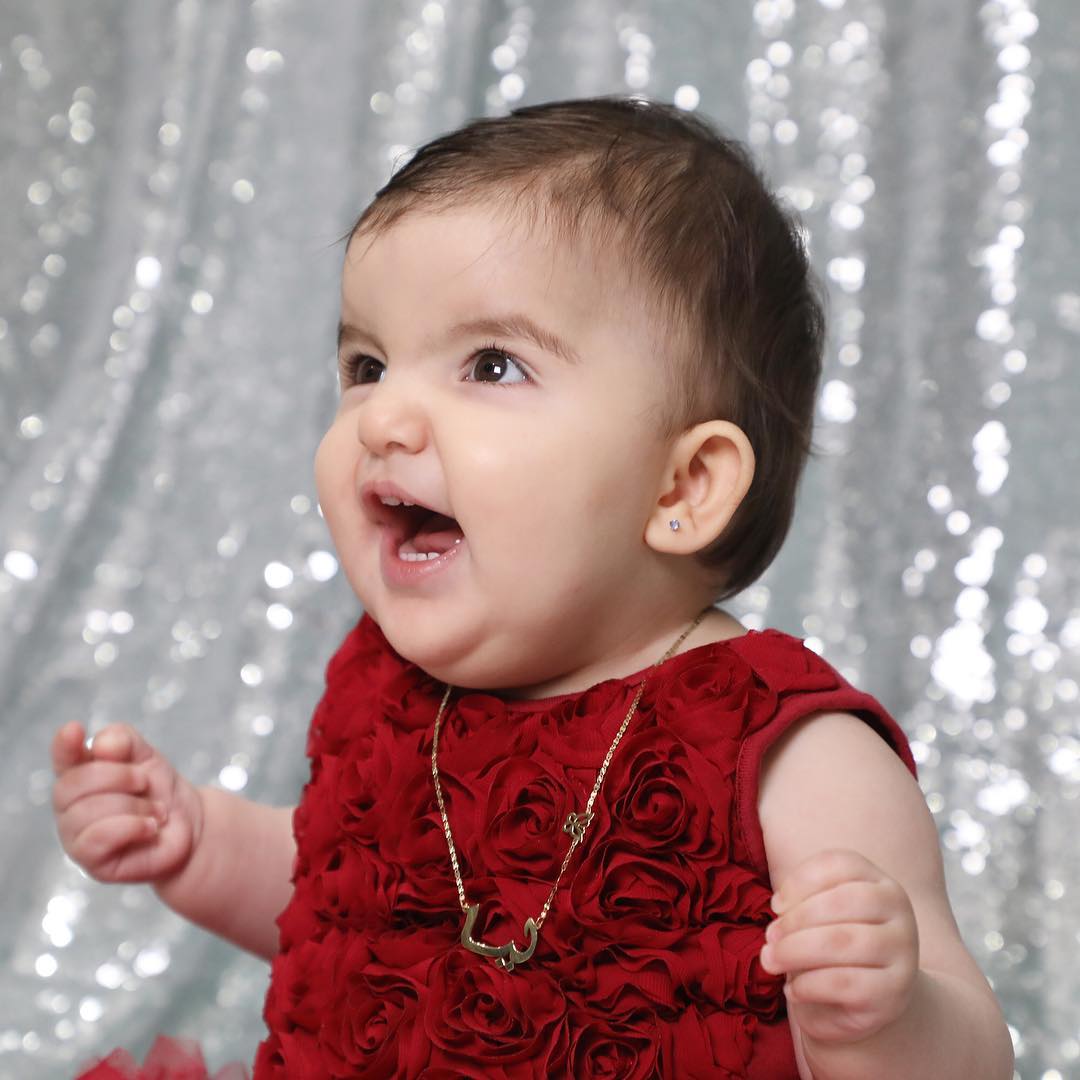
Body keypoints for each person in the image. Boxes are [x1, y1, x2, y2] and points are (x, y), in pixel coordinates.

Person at [52, 95, 1013, 1079]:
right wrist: (199, 843)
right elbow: (342, 921)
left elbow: (973, 1060)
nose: (385, 418)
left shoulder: (793, 753)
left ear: (681, 487)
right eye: (367, 363)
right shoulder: (389, 694)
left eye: (491, 364)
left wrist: (881, 1015)